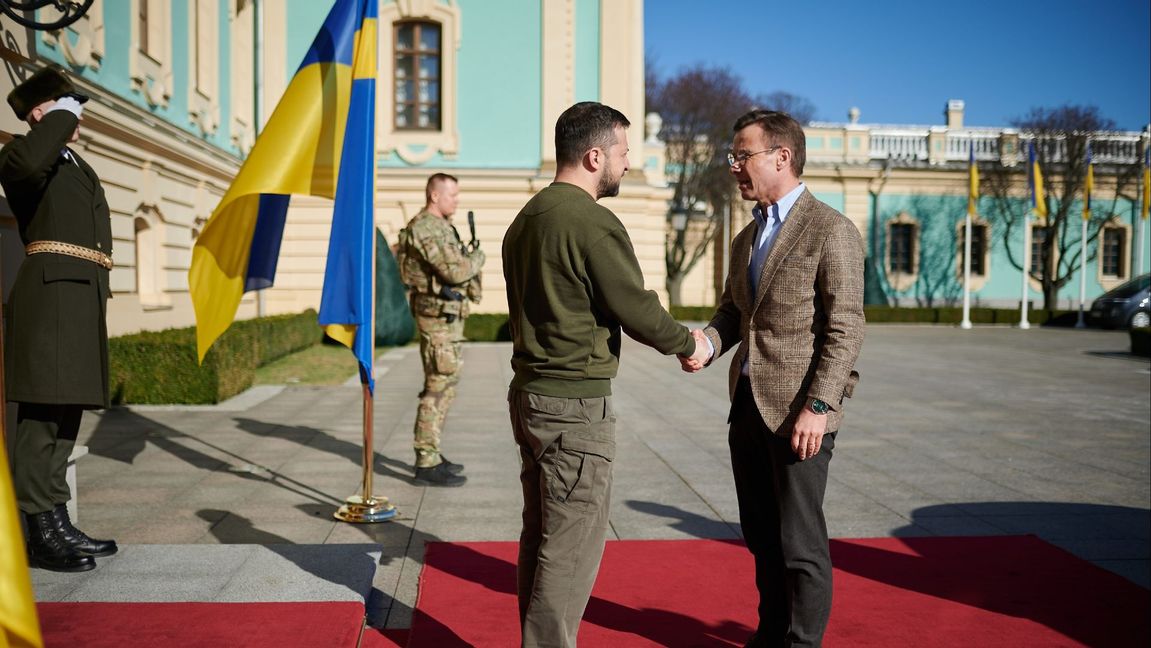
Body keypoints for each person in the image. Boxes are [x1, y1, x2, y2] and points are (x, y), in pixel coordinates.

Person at [503, 101, 709, 647]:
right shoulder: (592, 221)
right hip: (573, 406)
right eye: (621, 153)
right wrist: (688, 344)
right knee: (570, 548)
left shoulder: (526, 219)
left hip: (529, 396)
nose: (624, 164)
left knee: (542, 537)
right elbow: (633, 307)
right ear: (595, 156)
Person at [684, 109, 865, 647]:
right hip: (747, 409)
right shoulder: (745, 238)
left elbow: (846, 328)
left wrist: (821, 406)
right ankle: (769, 635)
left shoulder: (831, 230)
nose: (734, 166)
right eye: (733, 156)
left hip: (800, 415)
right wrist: (707, 345)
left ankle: (801, 643)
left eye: (743, 155)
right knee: (761, 538)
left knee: (799, 544)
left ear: (781, 157)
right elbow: (733, 314)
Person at [1, 66, 119, 572]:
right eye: (69, 104)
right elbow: (26, 168)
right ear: (41, 112)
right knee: (42, 417)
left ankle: (57, 520)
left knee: (67, 412)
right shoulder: (24, 153)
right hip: (50, 300)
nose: (79, 114)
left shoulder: (70, 161)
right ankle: (39, 531)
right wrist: (52, 120)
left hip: (78, 298)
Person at [397, 173, 484, 487]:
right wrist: (477, 258)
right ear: (435, 196)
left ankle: (432, 451)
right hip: (435, 321)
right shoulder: (425, 229)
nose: (456, 201)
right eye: (452, 195)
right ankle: (425, 460)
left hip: (447, 319)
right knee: (437, 385)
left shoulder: (442, 227)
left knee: (447, 384)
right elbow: (455, 270)